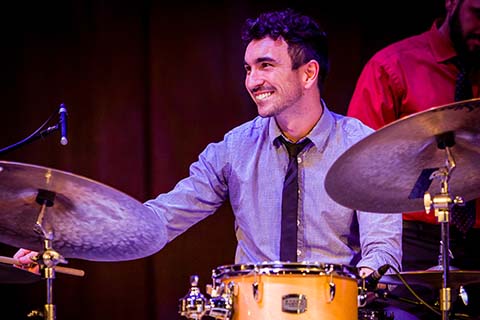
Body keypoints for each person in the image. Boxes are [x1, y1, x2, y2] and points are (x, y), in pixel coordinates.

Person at [14, 7, 402, 318]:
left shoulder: (361, 146)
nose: (252, 81)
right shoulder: (234, 149)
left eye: (266, 66)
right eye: (248, 69)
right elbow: (156, 221)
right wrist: (60, 241)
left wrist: (365, 283)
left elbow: (383, 252)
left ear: (308, 73)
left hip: (338, 310)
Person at [347, 0, 480, 318]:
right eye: (478, 13)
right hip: (414, 242)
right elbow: (359, 169)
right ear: (452, 3)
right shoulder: (391, 67)